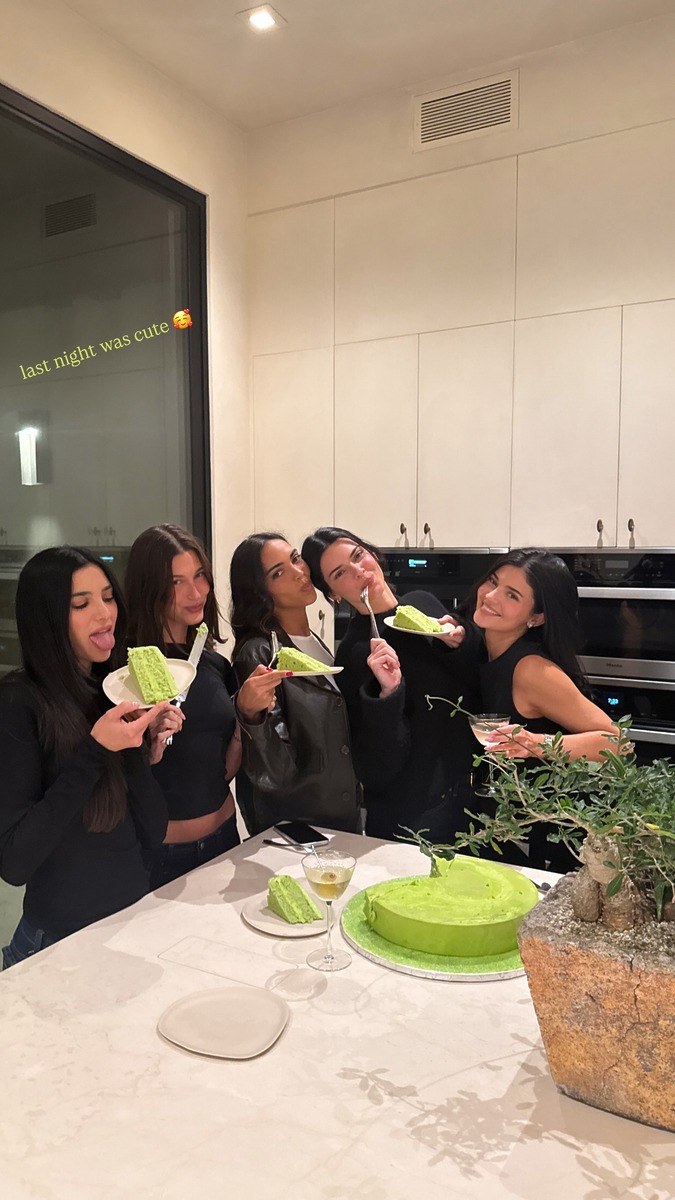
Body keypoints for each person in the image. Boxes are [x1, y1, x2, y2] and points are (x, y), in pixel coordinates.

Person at [0, 546, 174, 968]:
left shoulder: (112, 688)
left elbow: (154, 830)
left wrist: (142, 750)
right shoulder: (19, 702)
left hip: (130, 926)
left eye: (108, 597)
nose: (105, 613)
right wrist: (96, 751)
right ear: (47, 618)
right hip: (57, 945)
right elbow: (15, 862)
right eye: (81, 604)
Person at [301, 526, 481, 843]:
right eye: (340, 573)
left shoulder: (423, 603)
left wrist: (463, 641)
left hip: (463, 801)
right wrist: (388, 695)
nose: (359, 571)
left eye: (359, 555)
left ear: (372, 553)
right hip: (410, 820)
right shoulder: (356, 654)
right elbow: (373, 768)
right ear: (333, 594)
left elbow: (474, 684)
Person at [462, 547, 620, 869]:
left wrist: (534, 744)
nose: (490, 596)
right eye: (493, 581)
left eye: (512, 595)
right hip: (517, 825)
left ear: (536, 617)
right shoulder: (485, 648)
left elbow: (617, 742)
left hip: (555, 838)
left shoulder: (530, 670)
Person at [125, 524, 255, 888]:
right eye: (176, 582)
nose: (195, 592)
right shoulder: (125, 672)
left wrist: (246, 718)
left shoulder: (215, 665)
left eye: (199, 576)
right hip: (159, 856)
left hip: (225, 840)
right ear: (149, 588)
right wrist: (148, 748)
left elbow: (221, 769)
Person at [229, 532, 361, 835]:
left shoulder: (313, 642)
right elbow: (273, 771)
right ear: (260, 592)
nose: (299, 572)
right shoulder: (260, 654)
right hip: (298, 832)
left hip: (341, 822)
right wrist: (252, 717)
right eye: (278, 573)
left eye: (296, 559)